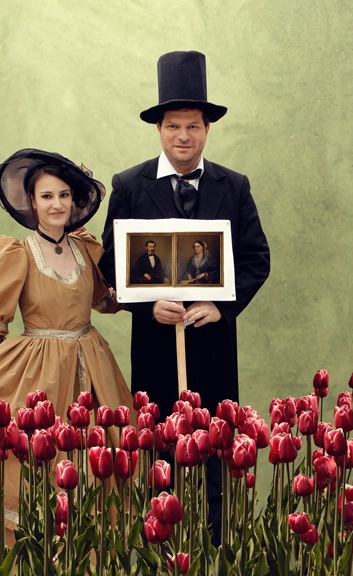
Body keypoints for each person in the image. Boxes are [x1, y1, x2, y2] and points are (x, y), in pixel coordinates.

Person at [100, 50, 270, 542]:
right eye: (173, 126)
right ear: (159, 129)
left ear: (207, 129)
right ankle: (162, 554)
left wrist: (222, 306)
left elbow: (257, 259)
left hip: (214, 349)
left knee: (216, 456)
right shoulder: (129, 186)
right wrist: (146, 304)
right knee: (160, 459)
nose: (183, 136)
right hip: (156, 349)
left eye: (193, 126)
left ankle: (213, 551)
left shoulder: (233, 186)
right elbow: (110, 263)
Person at [0, 148, 132, 526]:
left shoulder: (86, 248)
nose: (57, 204)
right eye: (47, 196)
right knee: (42, 464)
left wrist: (154, 288)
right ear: (32, 201)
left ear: (73, 199)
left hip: (94, 370)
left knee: (99, 464)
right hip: (39, 377)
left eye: (64, 195)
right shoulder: (19, 253)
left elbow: (107, 302)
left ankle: (86, 552)